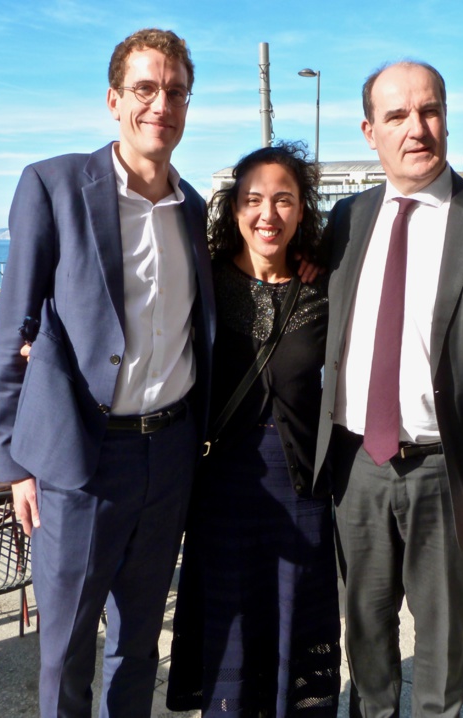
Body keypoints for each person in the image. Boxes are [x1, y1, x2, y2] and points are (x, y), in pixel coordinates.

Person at [0, 28, 215, 717]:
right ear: (114, 100)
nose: (161, 105)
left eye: (175, 91)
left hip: (169, 451)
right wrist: (14, 460)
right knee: (66, 649)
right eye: (145, 89)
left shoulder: (194, 209)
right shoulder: (54, 185)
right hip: (82, 458)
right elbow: (13, 325)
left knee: (141, 640)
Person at [312, 61, 463, 717]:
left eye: (429, 111)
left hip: (448, 473)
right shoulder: (347, 218)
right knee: (363, 633)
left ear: (445, 115)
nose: (416, 129)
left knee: (442, 643)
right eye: (395, 116)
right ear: (369, 131)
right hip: (354, 465)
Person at [167, 143, 340, 716]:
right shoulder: (204, 283)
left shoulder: (324, 286)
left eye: (284, 200)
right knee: (232, 625)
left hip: (302, 488)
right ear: (234, 209)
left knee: (297, 623)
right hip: (222, 490)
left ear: (301, 209)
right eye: (254, 200)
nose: (269, 214)